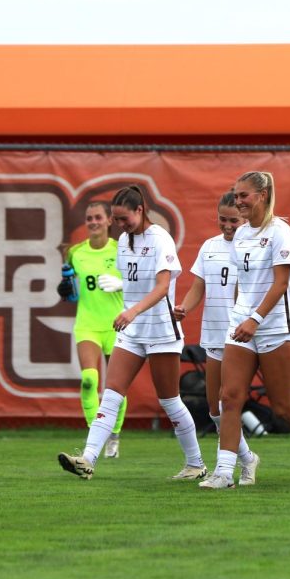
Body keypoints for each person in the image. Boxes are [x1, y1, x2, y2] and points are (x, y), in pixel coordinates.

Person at [57, 185, 205, 480]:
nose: (120, 225)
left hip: (161, 329)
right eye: (116, 219)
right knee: (111, 394)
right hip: (132, 331)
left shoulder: (160, 238)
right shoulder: (124, 240)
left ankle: (196, 463)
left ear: (140, 210)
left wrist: (133, 310)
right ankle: (87, 460)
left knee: (169, 400)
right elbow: (131, 282)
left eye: (124, 219)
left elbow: (163, 286)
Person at [199, 171, 290, 489]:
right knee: (228, 398)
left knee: (282, 406)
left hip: (277, 327)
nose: (238, 201)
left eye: (243, 195)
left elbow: (281, 284)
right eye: (236, 194)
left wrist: (254, 319)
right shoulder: (242, 235)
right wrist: (239, 318)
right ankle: (223, 472)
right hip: (243, 325)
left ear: (261, 195)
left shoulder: (281, 232)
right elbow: (243, 286)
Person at [174, 191, 260, 484]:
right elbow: (199, 285)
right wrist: (184, 306)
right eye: (222, 219)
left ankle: (227, 469)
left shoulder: (253, 245)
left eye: (233, 220)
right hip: (213, 332)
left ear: (244, 216)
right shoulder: (209, 247)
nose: (227, 226)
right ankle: (248, 458)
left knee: (229, 402)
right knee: (214, 409)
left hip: (240, 335)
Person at [60, 201, 127, 458]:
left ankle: (115, 434)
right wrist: (64, 290)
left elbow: (139, 280)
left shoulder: (121, 249)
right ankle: (95, 432)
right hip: (87, 324)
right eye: (89, 218)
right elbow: (71, 291)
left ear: (109, 220)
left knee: (115, 386)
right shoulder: (76, 252)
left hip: (116, 324)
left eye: (98, 217)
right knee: (89, 379)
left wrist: (121, 284)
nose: (93, 222)